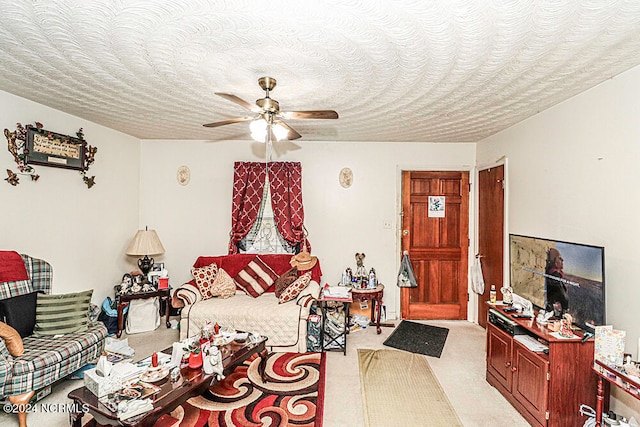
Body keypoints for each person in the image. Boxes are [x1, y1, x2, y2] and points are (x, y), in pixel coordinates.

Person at [545, 247, 568, 316]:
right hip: (554, 311)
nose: (562, 261)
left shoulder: (554, 273)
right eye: (560, 258)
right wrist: (565, 308)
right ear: (554, 261)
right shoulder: (555, 274)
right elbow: (563, 296)